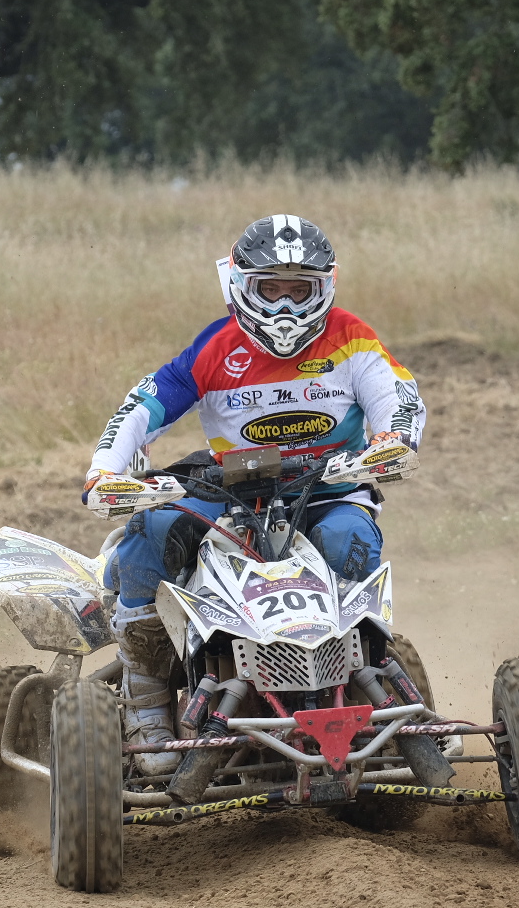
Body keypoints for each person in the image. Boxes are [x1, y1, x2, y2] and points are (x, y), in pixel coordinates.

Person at [83, 214, 426, 773]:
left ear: (326, 287)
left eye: (301, 290)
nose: (287, 306)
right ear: (242, 285)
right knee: (153, 532)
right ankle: (146, 695)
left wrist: (395, 440)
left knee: (350, 541)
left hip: (328, 486)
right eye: (273, 288)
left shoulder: (352, 337)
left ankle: (366, 676)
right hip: (229, 487)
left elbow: (398, 394)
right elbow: (141, 409)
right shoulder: (216, 347)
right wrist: (105, 470)